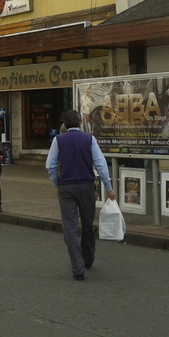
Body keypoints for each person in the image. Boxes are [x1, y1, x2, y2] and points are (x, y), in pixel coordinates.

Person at [45, 110, 115, 281]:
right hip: (86, 186)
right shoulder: (89, 139)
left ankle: (78, 268)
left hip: (66, 188)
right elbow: (100, 164)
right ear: (79, 124)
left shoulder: (58, 140)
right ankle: (88, 258)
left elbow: (50, 165)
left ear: (64, 125)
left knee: (70, 227)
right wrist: (108, 187)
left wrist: (57, 183)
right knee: (87, 223)